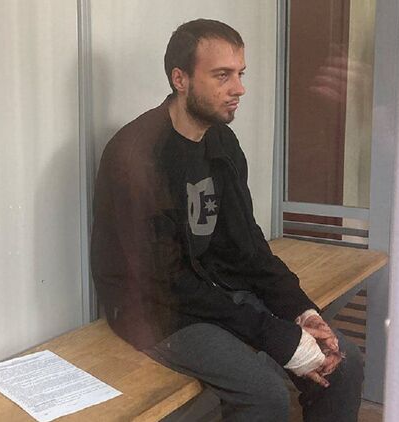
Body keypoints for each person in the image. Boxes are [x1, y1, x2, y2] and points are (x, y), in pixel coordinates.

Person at [90, 19, 363, 421]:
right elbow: (165, 281)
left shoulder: (219, 139)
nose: (239, 89)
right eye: (222, 75)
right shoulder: (136, 154)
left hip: (214, 287)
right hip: (155, 310)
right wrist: (275, 335)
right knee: (264, 394)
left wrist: (301, 310)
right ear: (180, 79)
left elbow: (247, 244)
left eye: (240, 74)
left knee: (344, 363)